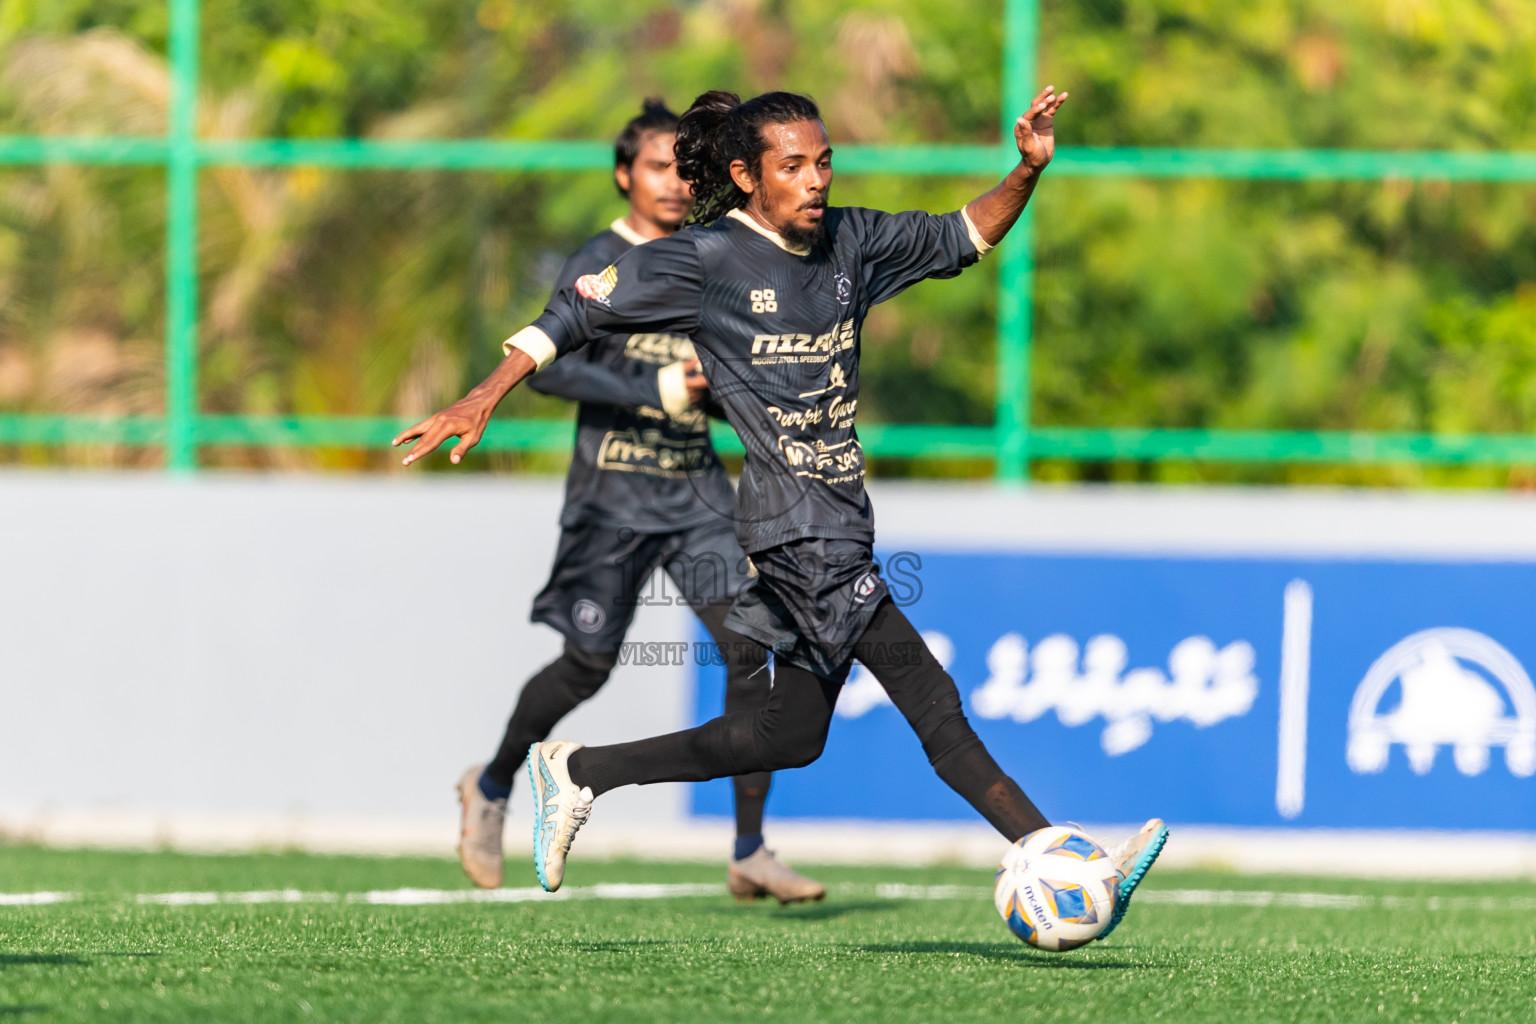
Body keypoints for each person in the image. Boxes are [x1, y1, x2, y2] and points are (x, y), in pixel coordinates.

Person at [398, 85, 1167, 941]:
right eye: (792, 166)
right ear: (745, 175)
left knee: (786, 735)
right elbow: (572, 313)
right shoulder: (702, 260)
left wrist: (1026, 170)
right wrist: (480, 396)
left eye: (823, 161)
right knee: (930, 697)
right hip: (795, 533)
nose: (815, 180)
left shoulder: (854, 240)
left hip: (843, 519)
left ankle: (580, 771)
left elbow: (967, 232)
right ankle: (1061, 855)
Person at [452, 99, 824, 903]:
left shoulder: (715, 256)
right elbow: (549, 365)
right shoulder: (600, 257)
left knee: (752, 654)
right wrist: (659, 383)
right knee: (586, 667)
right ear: (625, 176)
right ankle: (490, 788)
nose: (671, 183)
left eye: (682, 170)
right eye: (655, 168)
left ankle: (750, 848)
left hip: (696, 501)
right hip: (612, 501)